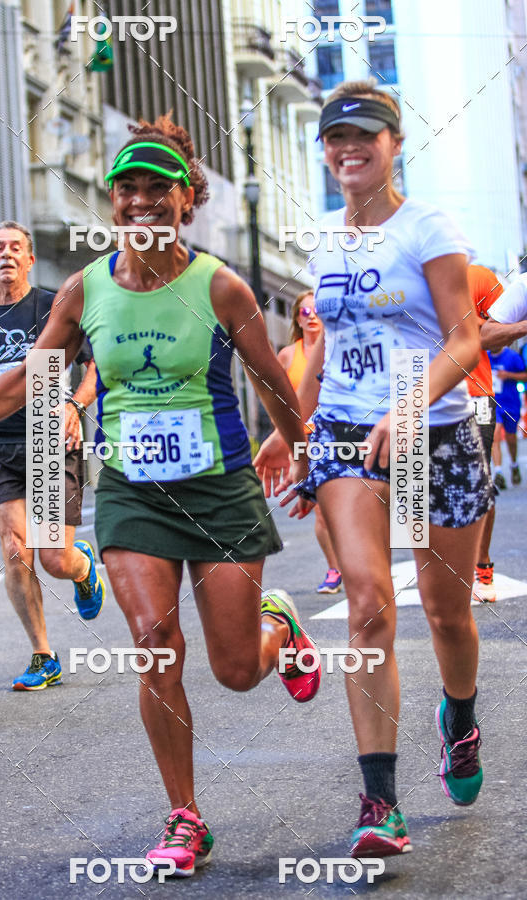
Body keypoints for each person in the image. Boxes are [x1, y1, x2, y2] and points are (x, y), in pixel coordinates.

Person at [0, 117, 320, 878]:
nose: (142, 202)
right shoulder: (85, 289)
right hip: (135, 496)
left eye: (157, 190)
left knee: (237, 668)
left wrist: (298, 449)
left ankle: (280, 628)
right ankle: (185, 816)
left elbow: (273, 382)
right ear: (113, 204)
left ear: (185, 202)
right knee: (154, 644)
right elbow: (26, 381)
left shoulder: (221, 286)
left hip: (218, 490)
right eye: (128, 189)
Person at [255, 81, 493, 858]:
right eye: (335, 138)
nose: (347, 148)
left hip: (434, 429)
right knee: (368, 604)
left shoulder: (428, 227)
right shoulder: (322, 238)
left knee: (446, 613)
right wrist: (288, 426)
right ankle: (379, 802)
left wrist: (413, 406)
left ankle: (459, 718)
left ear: (394, 144)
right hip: (349, 430)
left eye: (364, 135)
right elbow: (323, 342)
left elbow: (464, 339)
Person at [0, 221, 105, 691]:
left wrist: (75, 404)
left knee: (55, 558)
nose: (7, 254)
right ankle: (42, 655)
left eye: (16, 247)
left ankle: (83, 566)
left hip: (49, 438)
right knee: (16, 551)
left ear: (30, 259)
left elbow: (93, 366)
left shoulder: (54, 306)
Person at [278, 290, 343, 593]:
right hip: (305, 438)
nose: (312, 316)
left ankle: (354, 562)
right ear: (297, 318)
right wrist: (281, 441)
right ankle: (335, 569)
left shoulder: (336, 347)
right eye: (305, 312)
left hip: (339, 434)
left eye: (316, 310)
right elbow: (279, 401)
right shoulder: (288, 355)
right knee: (320, 507)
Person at [463, 266, 503, 602]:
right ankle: (444, 569)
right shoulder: (402, 276)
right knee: (416, 485)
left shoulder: (478, 277)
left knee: (480, 482)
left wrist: (462, 315)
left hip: (474, 395)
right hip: (415, 393)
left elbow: (500, 339)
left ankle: (482, 566)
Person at [488, 346, 527, 488]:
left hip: (511, 403)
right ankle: (498, 472)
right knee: (495, 433)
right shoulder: (484, 356)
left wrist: (508, 375)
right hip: (493, 403)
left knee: (511, 438)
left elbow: (525, 375)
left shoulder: (512, 356)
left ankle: (514, 464)